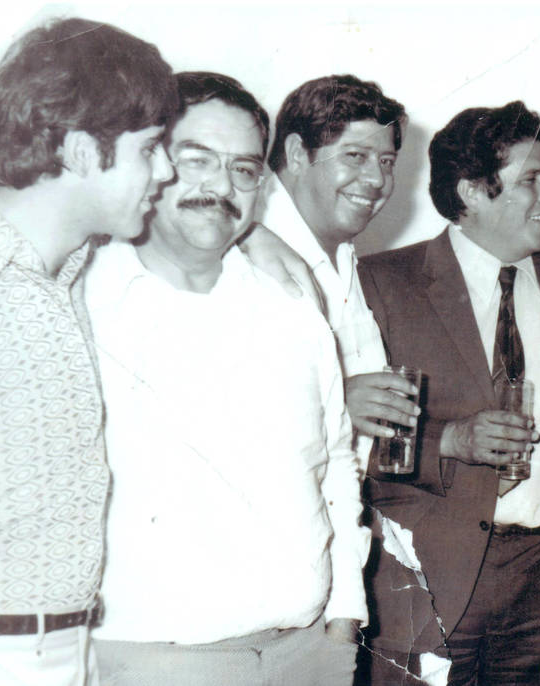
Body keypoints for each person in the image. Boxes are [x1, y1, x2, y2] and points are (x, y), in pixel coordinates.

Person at [83, 72, 366, 686]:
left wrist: (346, 615)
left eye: (243, 170)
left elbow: (336, 464)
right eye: (198, 161)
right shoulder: (84, 306)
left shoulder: (291, 305)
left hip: (307, 654)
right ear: (149, 161)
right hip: (152, 661)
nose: (221, 186)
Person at [357, 101, 540, 685]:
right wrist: (450, 440)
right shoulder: (380, 283)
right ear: (471, 192)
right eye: (531, 180)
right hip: (427, 583)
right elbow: (337, 438)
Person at [0, 18, 178, 685]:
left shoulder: (71, 272)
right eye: (152, 149)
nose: (168, 171)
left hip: (67, 647)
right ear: (84, 152)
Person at [247, 75, 419, 468]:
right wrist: (336, 402)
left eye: (386, 162)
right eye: (355, 156)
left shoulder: (343, 254)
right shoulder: (244, 252)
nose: (378, 180)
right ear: (295, 154)